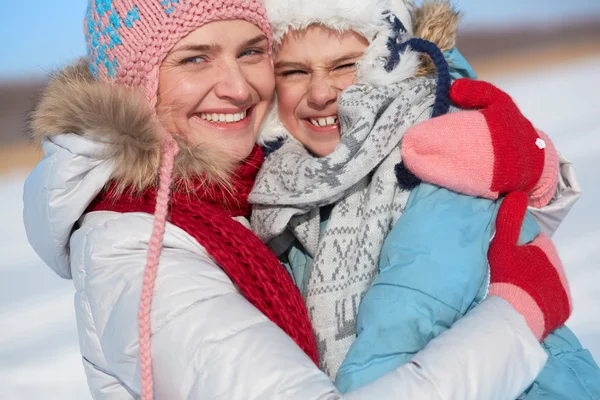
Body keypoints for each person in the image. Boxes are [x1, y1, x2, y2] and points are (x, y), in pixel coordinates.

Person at [24, 0, 555, 399]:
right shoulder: (139, 244)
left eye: (252, 52)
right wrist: (516, 319)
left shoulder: (262, 187)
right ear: (134, 84)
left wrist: (527, 167)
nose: (237, 86)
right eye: (194, 59)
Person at [249, 0, 595, 398]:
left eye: (345, 65)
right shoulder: (286, 188)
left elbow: (406, 319)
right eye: (294, 72)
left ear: (391, 64)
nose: (320, 92)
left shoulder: (438, 151)